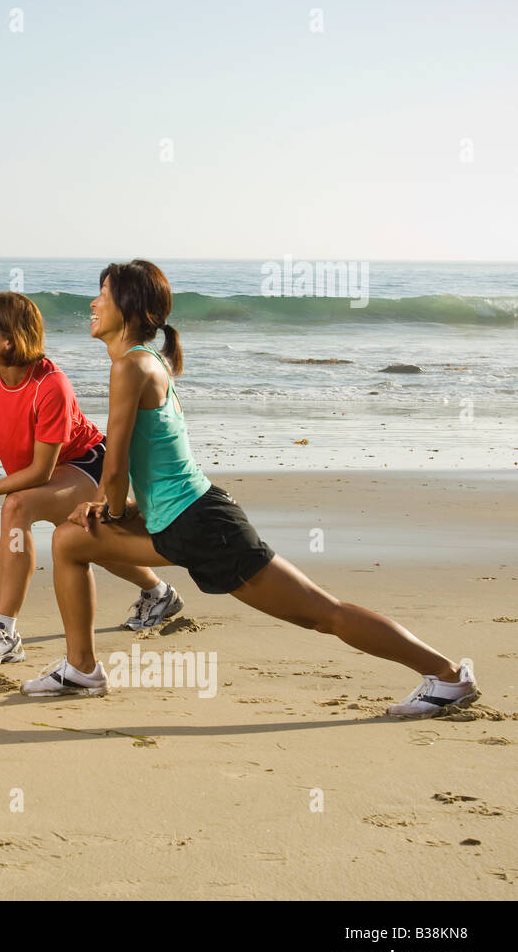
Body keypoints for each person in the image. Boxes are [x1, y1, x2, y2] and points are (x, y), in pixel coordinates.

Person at [27, 259, 479, 719]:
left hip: (202, 526)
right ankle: (82, 668)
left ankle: (446, 675)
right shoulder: (144, 361)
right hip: (181, 520)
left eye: (102, 293)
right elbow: (150, 467)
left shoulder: (131, 366)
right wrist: (113, 508)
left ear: (128, 306)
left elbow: (117, 462)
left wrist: (110, 509)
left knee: (322, 614)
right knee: (68, 541)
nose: (93, 302)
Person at [0, 292, 179, 667]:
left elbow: (40, 472)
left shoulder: (50, 385)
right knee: (89, 542)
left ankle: (3, 631)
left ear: (9, 339)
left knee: (17, 505)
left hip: (87, 463)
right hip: (55, 472)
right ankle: (159, 592)